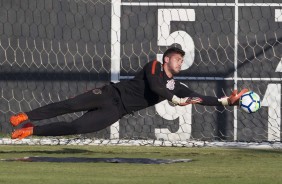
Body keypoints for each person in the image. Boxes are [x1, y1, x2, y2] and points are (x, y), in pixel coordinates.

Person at [10, 47, 248, 139]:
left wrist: (227, 101)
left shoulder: (176, 85)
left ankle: (31, 130)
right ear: (167, 59)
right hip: (108, 94)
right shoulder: (154, 67)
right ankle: (25, 115)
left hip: (117, 111)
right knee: (69, 105)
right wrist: (175, 99)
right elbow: (156, 87)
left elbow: (198, 97)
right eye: (178, 59)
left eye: (182, 60)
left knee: (77, 128)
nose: (180, 63)